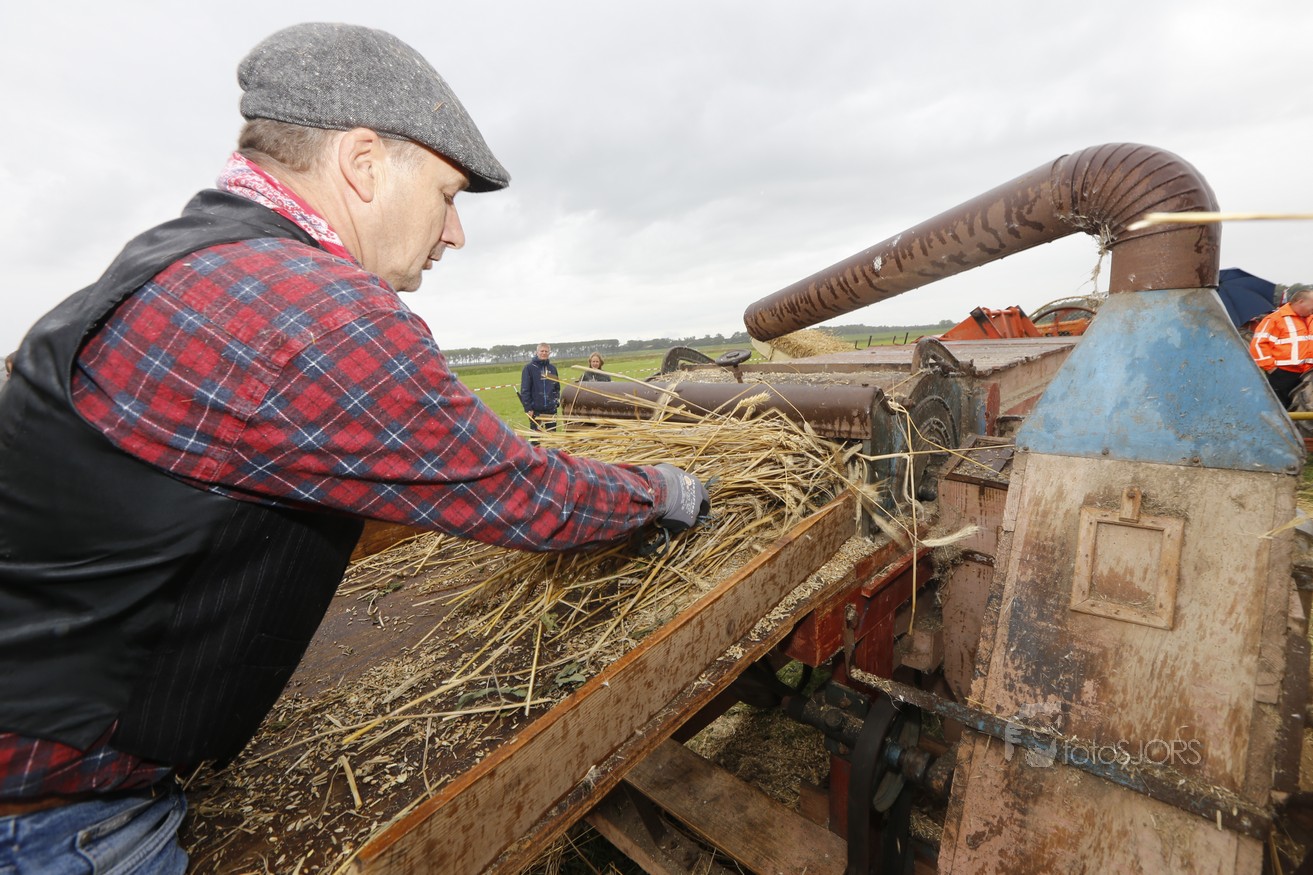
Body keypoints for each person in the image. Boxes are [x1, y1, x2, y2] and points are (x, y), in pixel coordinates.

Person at [0, 23, 708, 873]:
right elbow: (526, 496)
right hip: (58, 823)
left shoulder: (179, 260)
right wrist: (662, 491)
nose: (454, 233)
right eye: (447, 194)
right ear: (364, 162)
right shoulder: (316, 312)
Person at [1250, 282, 1313, 409]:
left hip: (1308, 373)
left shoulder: (1310, 318)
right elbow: (1258, 345)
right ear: (1301, 302)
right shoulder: (1274, 319)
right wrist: (1272, 369)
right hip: (1283, 374)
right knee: (1280, 408)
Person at [520, 342, 561, 430]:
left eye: (546, 351)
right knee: (536, 436)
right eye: (542, 351)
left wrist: (556, 402)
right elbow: (525, 390)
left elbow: (556, 387)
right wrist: (528, 408)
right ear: (537, 352)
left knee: (552, 435)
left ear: (549, 353)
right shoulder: (529, 368)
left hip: (551, 410)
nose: (544, 353)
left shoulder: (552, 369)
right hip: (536, 410)